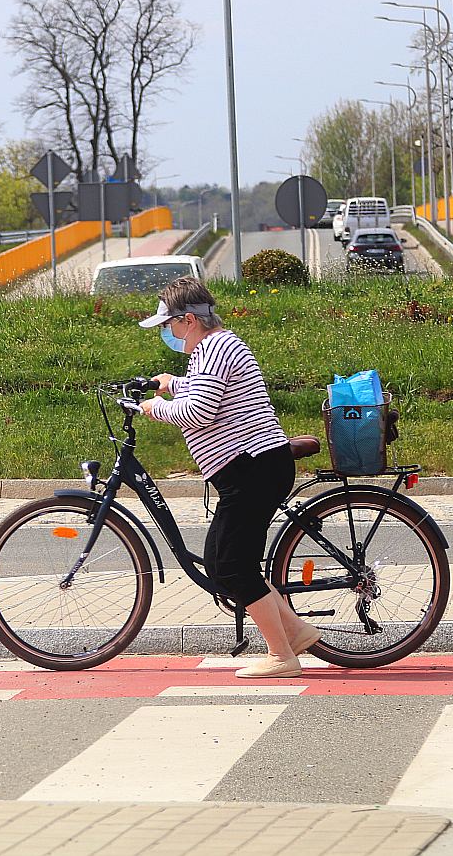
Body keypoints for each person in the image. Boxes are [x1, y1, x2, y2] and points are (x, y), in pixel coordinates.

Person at [136, 276, 321, 679]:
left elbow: (199, 410)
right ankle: (296, 631)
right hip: (247, 470)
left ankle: (281, 656)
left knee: (233, 566)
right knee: (222, 564)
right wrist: (173, 383)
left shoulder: (215, 346)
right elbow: (208, 389)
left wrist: (156, 408)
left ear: (189, 320)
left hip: (252, 468)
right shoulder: (212, 348)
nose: (168, 334)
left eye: (169, 326)